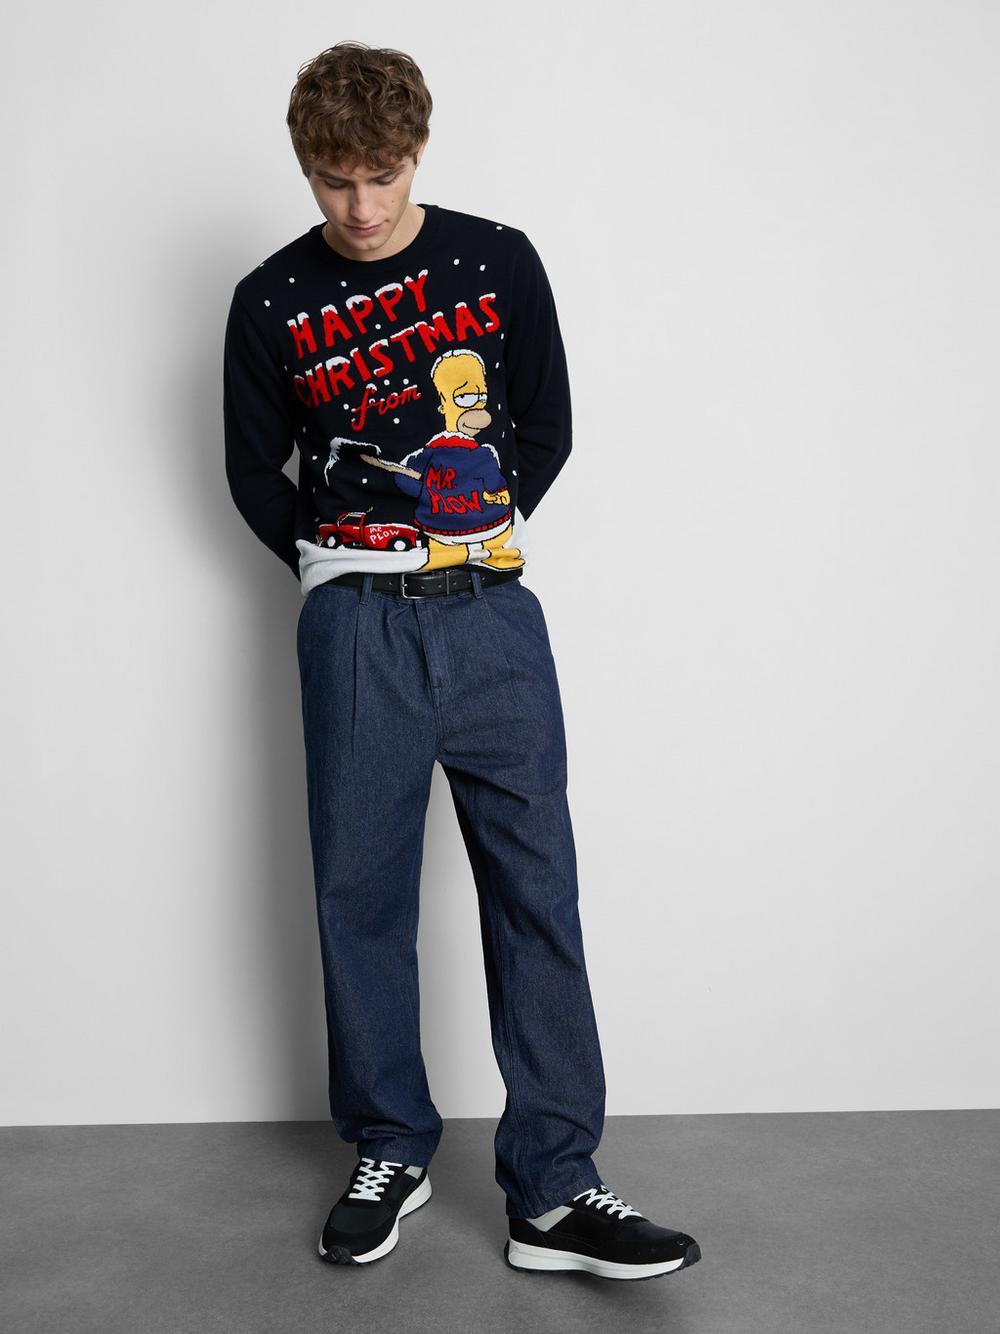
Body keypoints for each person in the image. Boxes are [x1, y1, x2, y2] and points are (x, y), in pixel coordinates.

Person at [223, 39, 702, 1282]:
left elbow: (547, 421)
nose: (361, 207)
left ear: (417, 151)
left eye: (382, 175)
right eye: (335, 180)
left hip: (491, 613)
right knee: (361, 894)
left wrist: (473, 528)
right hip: (355, 627)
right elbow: (251, 469)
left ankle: (554, 1184)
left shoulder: (496, 259)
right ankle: (390, 1144)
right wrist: (336, 566)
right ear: (306, 168)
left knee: (536, 886)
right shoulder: (271, 300)